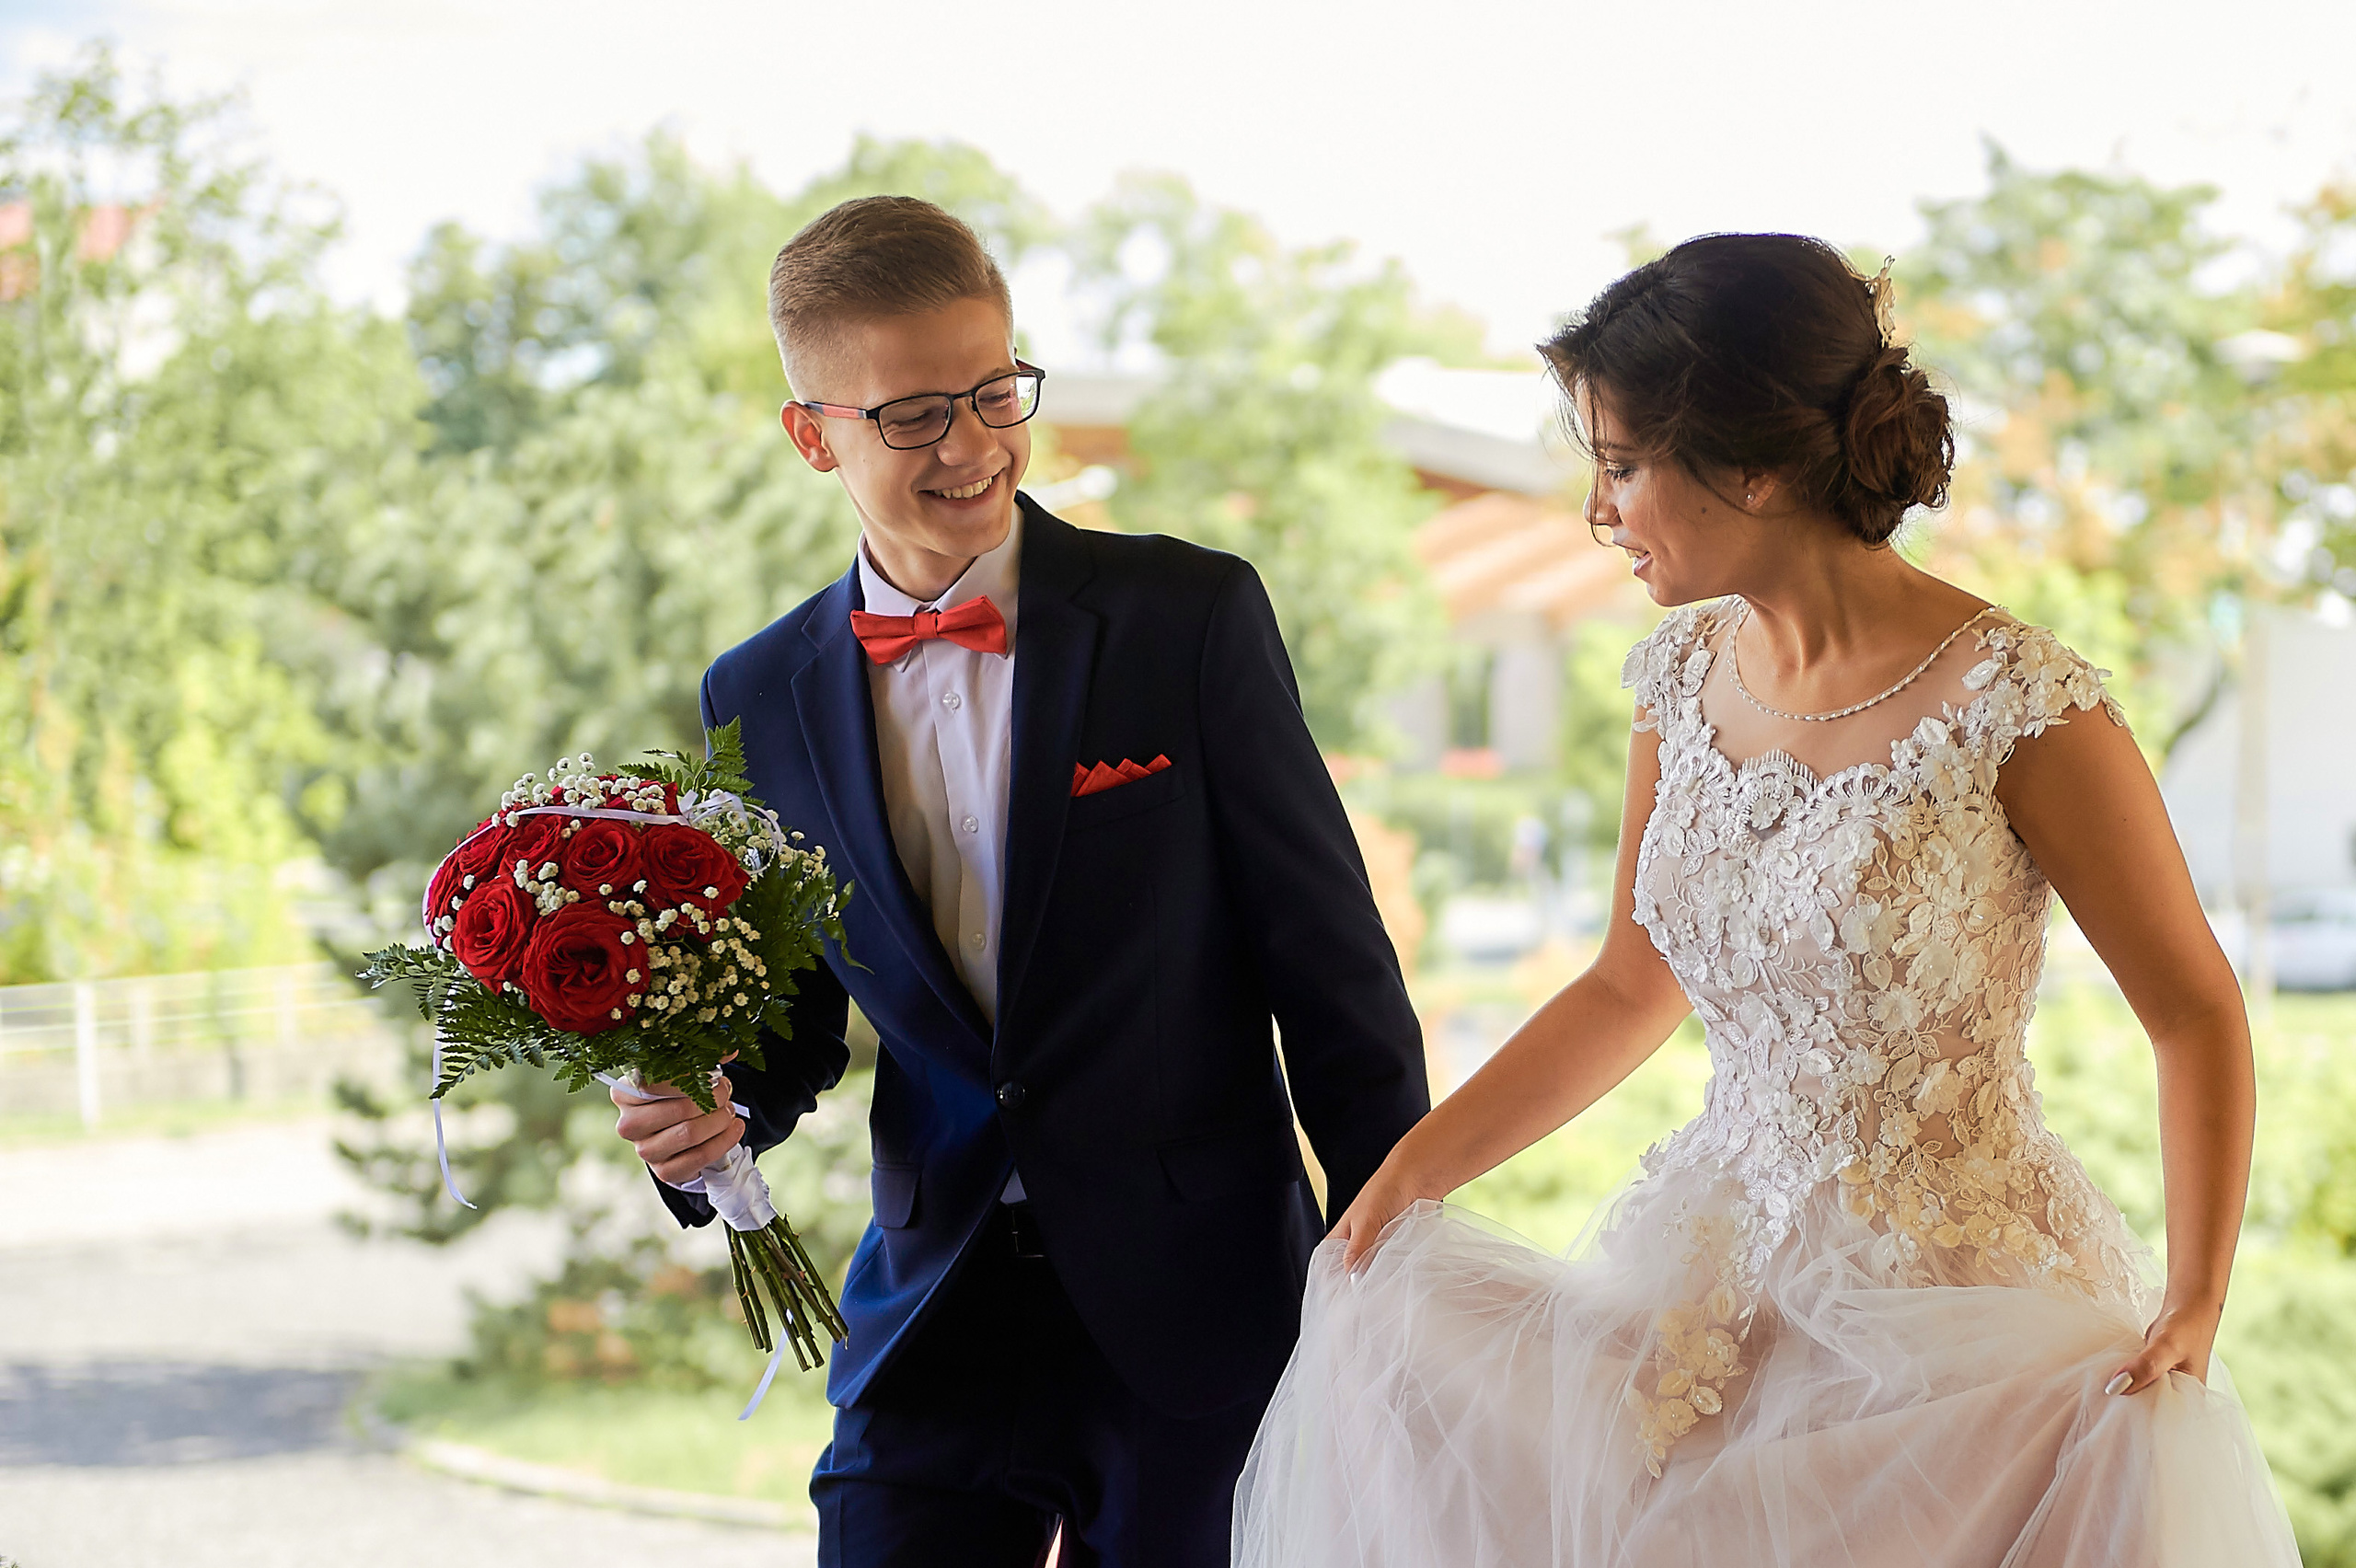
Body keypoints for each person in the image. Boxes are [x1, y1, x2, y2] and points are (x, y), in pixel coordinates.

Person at [1233, 235, 2300, 1566]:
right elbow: (1631, 985)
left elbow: (2195, 1007)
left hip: (1955, 1329)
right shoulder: (1676, 682)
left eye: (1622, 467)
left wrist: (2196, 1298)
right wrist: (1405, 1180)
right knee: (1399, 1326)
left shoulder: (2019, 704)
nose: (1598, 512)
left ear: (1750, 462)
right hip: (1707, 1288)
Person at [609, 195, 1428, 1568]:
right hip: (930, 1318)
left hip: (1199, 1321)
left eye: (996, 390)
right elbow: (798, 1015)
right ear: (813, 434)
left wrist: (1394, 1281)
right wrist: (706, 1113)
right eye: (915, 414)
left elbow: (1333, 972)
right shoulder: (756, 692)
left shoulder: (1188, 617)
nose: (976, 444)